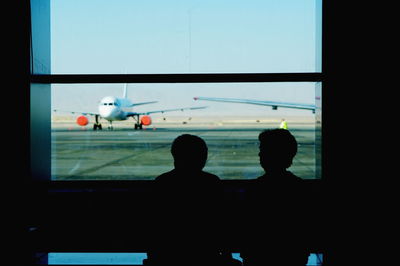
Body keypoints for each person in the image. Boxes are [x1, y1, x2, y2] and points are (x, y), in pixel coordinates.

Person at [145, 134, 236, 266]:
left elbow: (153, 226)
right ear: (202, 158)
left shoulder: (162, 183)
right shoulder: (211, 183)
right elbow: (222, 223)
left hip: (167, 256)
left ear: (174, 156)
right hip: (206, 255)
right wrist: (227, 256)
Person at [240, 129, 310, 266]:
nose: (260, 154)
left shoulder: (255, 189)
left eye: (263, 150)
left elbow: (248, 228)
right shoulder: (300, 188)